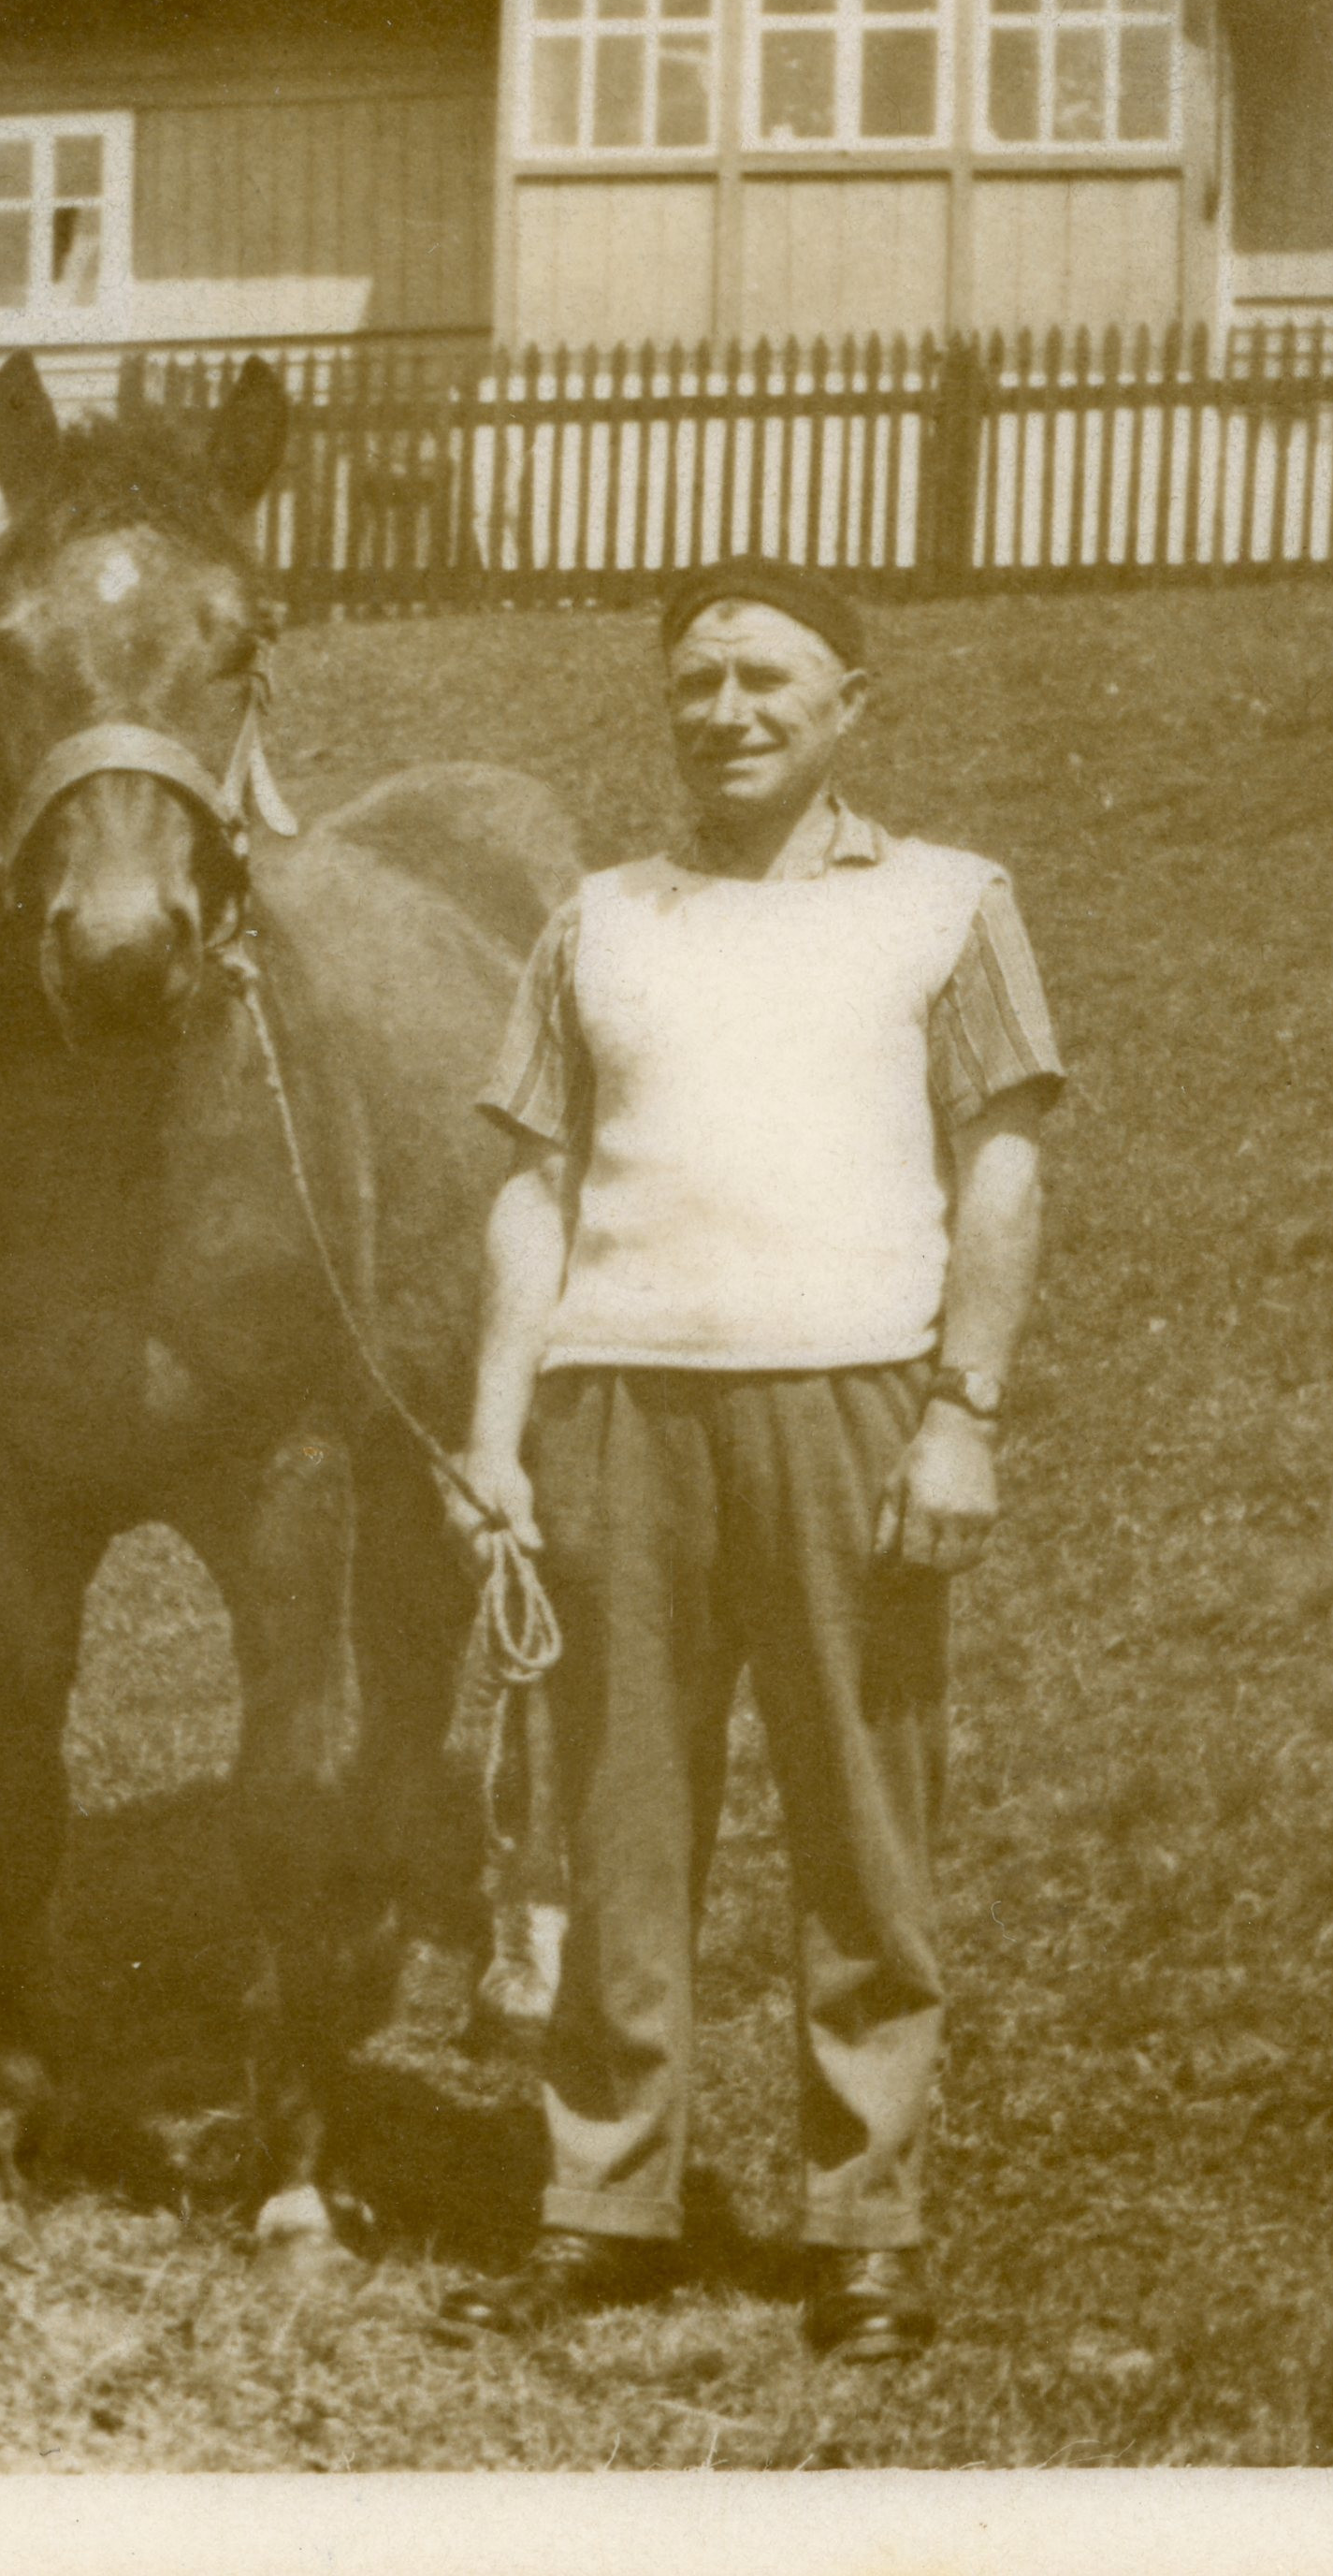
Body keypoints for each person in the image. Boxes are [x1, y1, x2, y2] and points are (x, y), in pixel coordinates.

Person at [431, 554, 1062, 2364]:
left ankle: (864, 2227)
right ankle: (605, 2202)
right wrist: (492, 1433)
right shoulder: (600, 919)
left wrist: (966, 1411)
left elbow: (1005, 1165)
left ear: (847, 704)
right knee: (618, 1820)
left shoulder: (951, 903)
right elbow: (532, 1187)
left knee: (865, 1821)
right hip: (618, 1404)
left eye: (769, 680)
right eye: (697, 681)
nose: (728, 712)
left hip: (854, 1402)